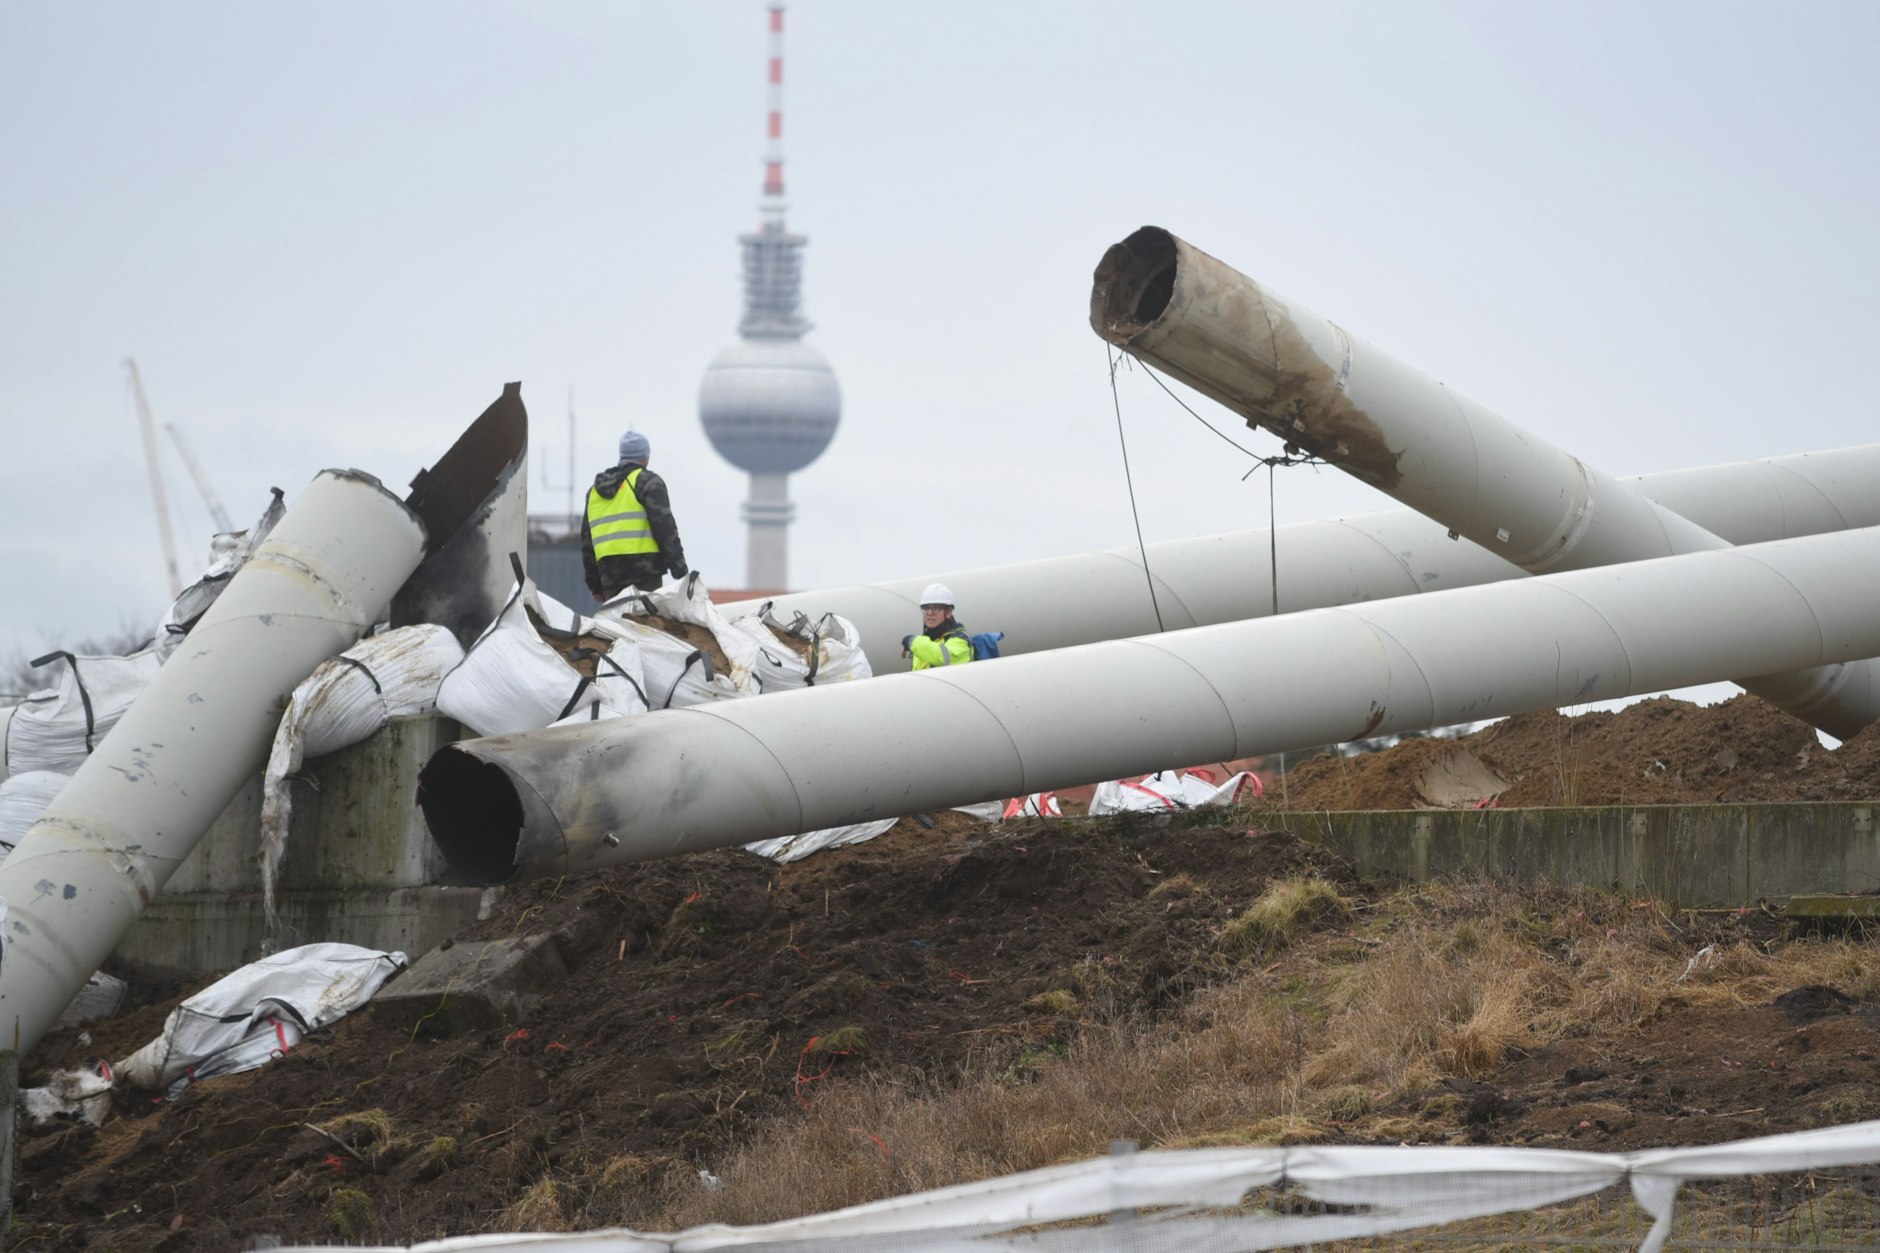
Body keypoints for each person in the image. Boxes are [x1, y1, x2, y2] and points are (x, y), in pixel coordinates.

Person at [582, 430, 689, 602]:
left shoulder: (594, 492)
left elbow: (587, 543)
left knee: (617, 626)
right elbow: (665, 530)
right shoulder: (648, 483)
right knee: (643, 626)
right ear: (645, 457)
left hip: (609, 578)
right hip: (645, 575)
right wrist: (681, 574)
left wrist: (595, 586)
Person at [901, 582, 972, 669]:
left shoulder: (961, 638)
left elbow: (941, 657)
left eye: (935, 608)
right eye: (926, 608)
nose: (929, 613)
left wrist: (912, 642)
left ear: (948, 612)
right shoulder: (923, 643)